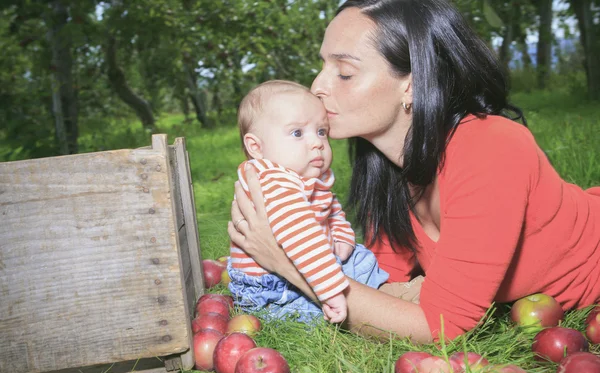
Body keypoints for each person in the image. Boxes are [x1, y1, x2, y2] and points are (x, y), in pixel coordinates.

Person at [228, 0, 600, 344]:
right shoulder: (383, 165)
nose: (317, 87)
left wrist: (287, 264)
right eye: (322, 66)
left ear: (412, 84)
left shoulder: (491, 148)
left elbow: (441, 327)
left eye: (343, 72)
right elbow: (383, 284)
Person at [228, 80, 389, 324]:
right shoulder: (274, 181)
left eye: (321, 132)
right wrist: (330, 290)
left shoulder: (304, 176)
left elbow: (330, 208)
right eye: (297, 133)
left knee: (359, 256)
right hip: (273, 288)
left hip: (304, 263)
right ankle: (380, 300)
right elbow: (301, 235)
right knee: (347, 285)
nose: (317, 143)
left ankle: (384, 294)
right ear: (256, 147)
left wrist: (342, 235)